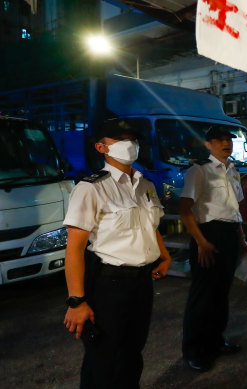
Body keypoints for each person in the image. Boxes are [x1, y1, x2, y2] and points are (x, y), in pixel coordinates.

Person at [63, 119, 172, 389]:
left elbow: (150, 225)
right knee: (104, 359)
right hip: (109, 285)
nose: (130, 145)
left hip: (142, 283)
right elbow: (74, 248)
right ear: (101, 147)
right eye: (120, 140)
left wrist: (164, 254)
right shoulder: (91, 188)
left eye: (132, 139)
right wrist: (76, 302)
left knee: (133, 354)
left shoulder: (144, 184)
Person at [179, 126, 247, 372]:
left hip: (229, 234)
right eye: (219, 139)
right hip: (207, 234)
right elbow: (185, 210)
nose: (226, 142)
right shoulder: (199, 171)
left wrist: (241, 240)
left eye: (228, 138)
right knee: (202, 295)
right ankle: (193, 350)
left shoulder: (233, 171)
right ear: (208, 144)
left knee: (221, 293)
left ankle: (216, 341)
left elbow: (234, 210)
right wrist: (201, 242)